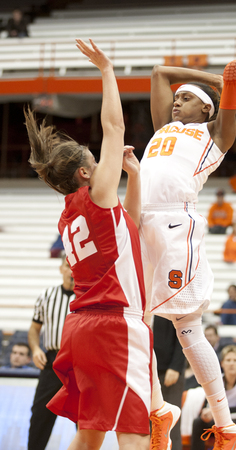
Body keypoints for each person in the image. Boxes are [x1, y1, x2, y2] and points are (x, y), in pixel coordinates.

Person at [139, 57, 236, 450]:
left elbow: (231, 88)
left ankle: (225, 425)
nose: (177, 101)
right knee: (135, 319)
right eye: (176, 98)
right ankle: (158, 408)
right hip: (140, 221)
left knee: (185, 326)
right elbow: (159, 73)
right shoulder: (164, 128)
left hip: (175, 227)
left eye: (186, 99)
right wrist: (209, 78)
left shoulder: (216, 135)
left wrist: (225, 84)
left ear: (207, 109)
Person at [24, 38, 152, 450]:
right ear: (84, 172)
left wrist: (134, 178)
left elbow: (127, 228)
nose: (104, 166)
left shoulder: (69, 213)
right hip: (114, 323)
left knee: (90, 434)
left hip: (81, 329)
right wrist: (107, 71)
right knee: (133, 432)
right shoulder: (96, 195)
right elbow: (114, 127)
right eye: (97, 164)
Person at [27, 254, 75, 450]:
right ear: (61, 269)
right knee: (40, 413)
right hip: (53, 360)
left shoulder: (89, 297)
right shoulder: (46, 295)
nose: (72, 271)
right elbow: (34, 329)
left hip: (79, 362)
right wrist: (36, 348)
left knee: (84, 417)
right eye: (67, 266)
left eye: (75, 267)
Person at [191, 345, 236, 450]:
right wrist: (206, 412)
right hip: (219, 418)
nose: (232, 363)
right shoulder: (216, 379)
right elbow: (207, 403)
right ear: (222, 364)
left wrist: (214, 412)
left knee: (229, 426)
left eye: (235, 360)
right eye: (228, 360)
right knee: (199, 422)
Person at [153, 315, 186, 450]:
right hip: (144, 369)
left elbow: (183, 333)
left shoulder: (167, 298)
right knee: (148, 423)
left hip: (169, 370)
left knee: (170, 423)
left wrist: (176, 366)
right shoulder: (139, 299)